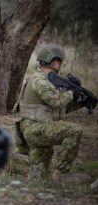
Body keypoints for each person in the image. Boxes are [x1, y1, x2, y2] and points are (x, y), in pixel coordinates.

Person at [12, 44, 85, 180]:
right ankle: (60, 173)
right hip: (36, 129)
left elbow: (59, 108)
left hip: (40, 128)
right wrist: (71, 93)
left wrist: (81, 102)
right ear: (50, 60)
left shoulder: (46, 81)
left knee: (39, 176)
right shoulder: (39, 80)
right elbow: (56, 101)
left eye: (59, 61)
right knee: (74, 130)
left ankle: (12, 170)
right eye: (56, 60)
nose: (58, 63)